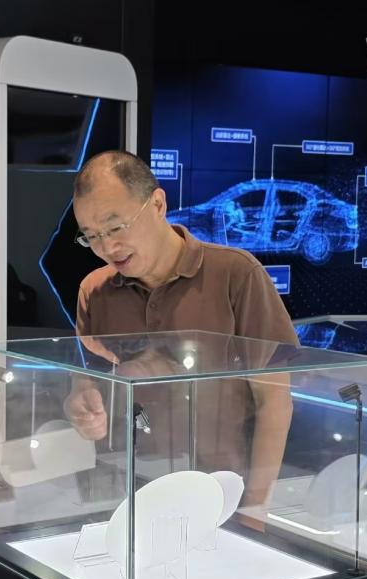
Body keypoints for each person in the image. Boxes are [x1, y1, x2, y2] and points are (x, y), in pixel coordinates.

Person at [67, 150, 297, 525]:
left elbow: (275, 402)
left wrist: (254, 512)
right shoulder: (94, 291)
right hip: (129, 498)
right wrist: (80, 404)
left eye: (116, 227)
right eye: (92, 236)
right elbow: (89, 381)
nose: (107, 248)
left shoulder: (236, 275)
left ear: (157, 204)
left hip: (220, 499)